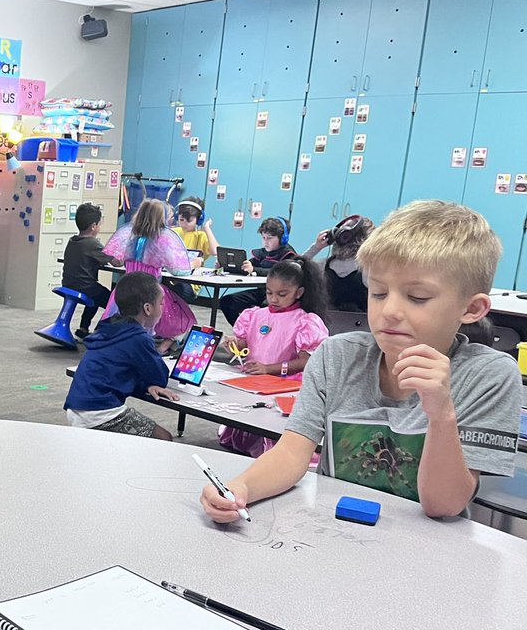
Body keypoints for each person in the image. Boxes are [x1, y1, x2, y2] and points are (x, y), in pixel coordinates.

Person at [202, 200, 521, 522]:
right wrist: (240, 488)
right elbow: (291, 452)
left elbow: (443, 505)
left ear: (471, 309)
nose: (390, 311)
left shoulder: (488, 375)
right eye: (379, 293)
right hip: (330, 531)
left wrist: (441, 415)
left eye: (417, 298)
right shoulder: (337, 355)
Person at [218, 258, 329, 457]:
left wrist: (269, 369)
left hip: (285, 387)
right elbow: (245, 344)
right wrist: (234, 345)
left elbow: (306, 362)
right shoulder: (255, 315)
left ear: (299, 293)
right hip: (254, 380)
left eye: (282, 294)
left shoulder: (305, 321)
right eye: (269, 293)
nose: (274, 299)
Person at [64, 272, 179, 440]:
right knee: (164, 438)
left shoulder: (108, 326)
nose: (163, 309)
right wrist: (148, 383)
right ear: (148, 308)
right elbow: (159, 377)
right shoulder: (139, 338)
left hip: (76, 408)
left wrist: (144, 384)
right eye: (161, 304)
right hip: (100, 412)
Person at [101, 198, 196, 349]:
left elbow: (117, 260)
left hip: (125, 289)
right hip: (150, 291)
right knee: (183, 317)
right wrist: (193, 264)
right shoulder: (162, 239)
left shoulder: (128, 235)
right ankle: (163, 345)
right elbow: (178, 270)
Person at [221, 216, 299, 325]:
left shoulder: (289, 255)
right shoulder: (263, 252)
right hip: (261, 292)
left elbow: (277, 273)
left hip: (277, 295)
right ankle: (242, 332)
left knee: (264, 308)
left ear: (283, 238)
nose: (266, 242)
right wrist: (226, 265)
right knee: (227, 301)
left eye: (270, 238)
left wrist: (255, 270)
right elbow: (249, 265)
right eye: (263, 238)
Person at [61, 202, 122, 339]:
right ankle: (101, 330)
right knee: (113, 300)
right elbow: (117, 263)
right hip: (85, 287)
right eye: (99, 224)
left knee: (96, 294)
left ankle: (84, 327)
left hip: (68, 283)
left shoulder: (73, 240)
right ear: (93, 226)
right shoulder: (93, 244)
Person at [301, 214, 375, 311]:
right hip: (359, 325)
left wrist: (316, 247)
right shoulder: (368, 271)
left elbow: (291, 269)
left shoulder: (322, 266)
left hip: (326, 324)